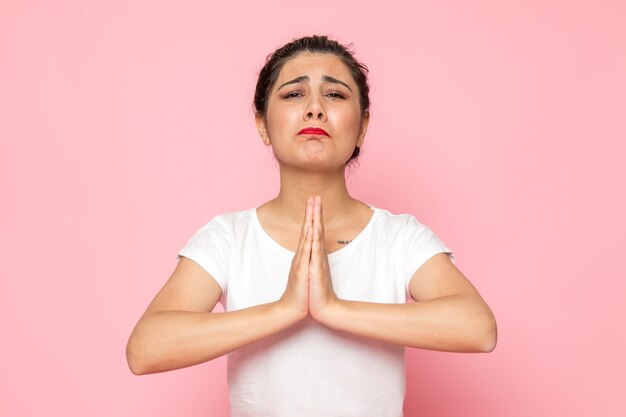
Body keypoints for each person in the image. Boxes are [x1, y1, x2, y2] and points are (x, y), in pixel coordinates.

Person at [126, 35, 497, 417]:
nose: (315, 109)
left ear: (363, 127)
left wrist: (334, 309)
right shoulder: (229, 238)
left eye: (335, 95)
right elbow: (145, 349)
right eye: (293, 95)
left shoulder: (398, 237)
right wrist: (284, 309)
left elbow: (478, 328)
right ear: (263, 124)